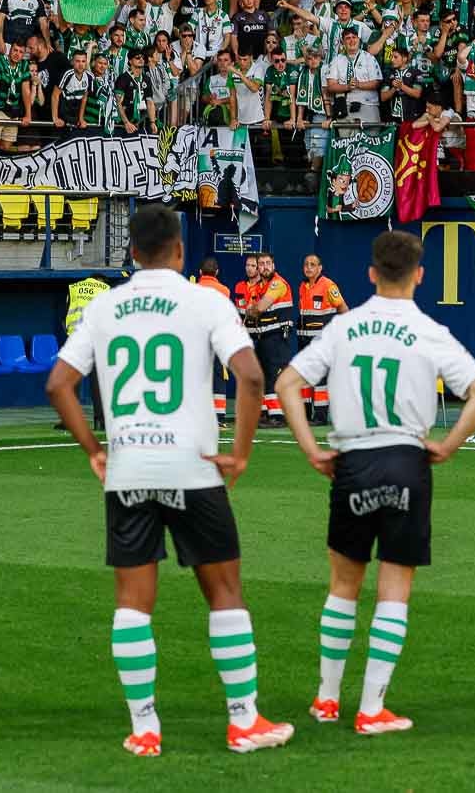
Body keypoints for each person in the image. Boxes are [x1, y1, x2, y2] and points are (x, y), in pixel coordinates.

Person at [45, 205, 294, 757]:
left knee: (134, 603)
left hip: (129, 466)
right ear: (179, 250)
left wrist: (95, 449)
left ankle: (144, 727)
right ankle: (242, 719)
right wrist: (241, 451)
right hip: (194, 465)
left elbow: (60, 384)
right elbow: (252, 375)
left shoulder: (105, 307)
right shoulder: (207, 300)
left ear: (131, 252)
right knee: (225, 593)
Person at [274, 230, 475, 735]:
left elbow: (288, 382)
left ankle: (328, 699)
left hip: (353, 459)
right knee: (395, 587)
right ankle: (372, 709)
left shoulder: (343, 327)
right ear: (419, 275)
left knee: (343, 585)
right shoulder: (428, 329)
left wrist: (310, 448)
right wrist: (448, 444)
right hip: (406, 459)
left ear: (371, 273)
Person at [297, 253, 348, 425]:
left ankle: (319, 417)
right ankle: (305, 415)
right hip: (304, 341)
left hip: (321, 341)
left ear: (320, 268)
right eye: (306, 264)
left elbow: (343, 308)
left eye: (312, 264)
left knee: (320, 380)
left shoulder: (328, 285)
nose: (309, 268)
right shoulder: (303, 286)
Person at [244, 252, 293, 427]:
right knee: (264, 376)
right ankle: (267, 414)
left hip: (277, 337)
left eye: (268, 263)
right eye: (261, 264)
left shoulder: (277, 284)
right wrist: (252, 310)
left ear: (274, 265)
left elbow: (259, 308)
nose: (265, 267)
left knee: (273, 376)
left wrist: (252, 309)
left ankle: (278, 417)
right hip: (263, 337)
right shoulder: (259, 287)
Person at [61, 274, 111, 433]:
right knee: (97, 381)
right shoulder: (106, 290)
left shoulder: (73, 288)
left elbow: (66, 314)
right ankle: (100, 421)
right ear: (101, 281)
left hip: (75, 337)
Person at [196, 257, 231, 423]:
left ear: (200, 272)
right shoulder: (225, 290)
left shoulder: (193, 289)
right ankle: (219, 416)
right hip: (218, 338)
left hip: (198, 338)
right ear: (217, 272)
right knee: (218, 376)